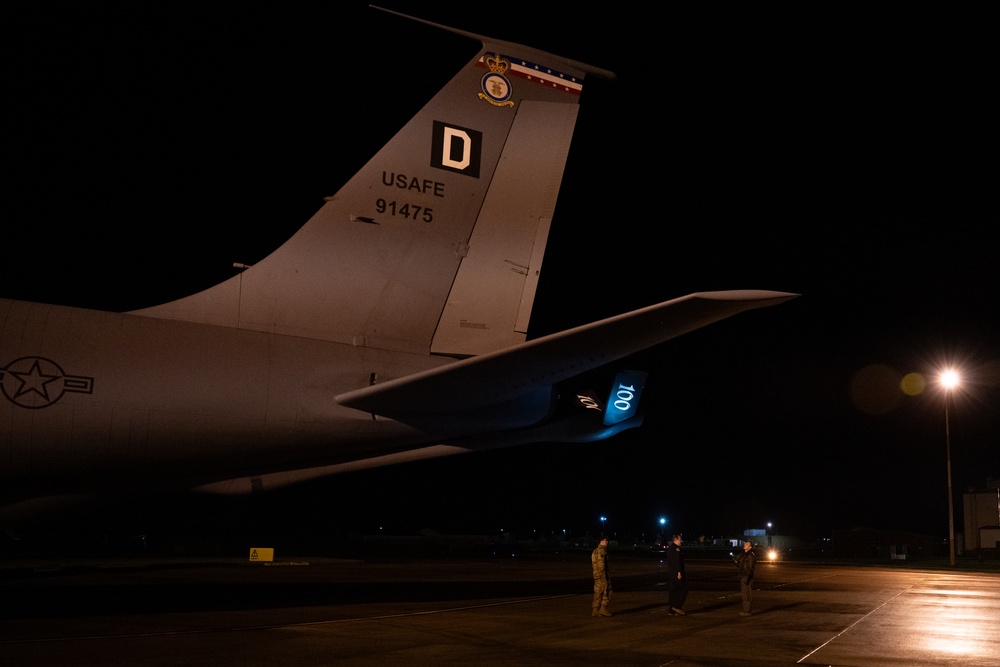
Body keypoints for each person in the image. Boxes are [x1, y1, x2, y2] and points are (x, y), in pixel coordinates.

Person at [665, 533, 688, 616]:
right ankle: (677, 607)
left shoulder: (670, 548)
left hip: (670, 573)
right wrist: (679, 572)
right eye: (680, 540)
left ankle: (671, 610)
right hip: (676, 573)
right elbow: (677, 561)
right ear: (676, 540)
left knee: (672, 591)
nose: (681, 541)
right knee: (684, 589)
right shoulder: (677, 549)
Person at [734, 540, 757, 616]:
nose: (745, 544)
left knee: (747, 594)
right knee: (744, 594)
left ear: (750, 547)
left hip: (747, 577)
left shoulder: (751, 555)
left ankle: (747, 611)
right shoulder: (744, 554)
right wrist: (736, 561)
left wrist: (747, 577)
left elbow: (751, 568)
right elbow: (741, 566)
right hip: (743, 576)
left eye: (747, 544)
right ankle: (746, 610)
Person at [591, 535, 612, 617]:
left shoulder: (595, 551)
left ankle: (595, 609)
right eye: (606, 540)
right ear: (601, 541)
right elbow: (601, 565)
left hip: (596, 574)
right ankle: (603, 608)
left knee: (598, 591)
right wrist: (604, 577)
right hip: (602, 575)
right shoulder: (602, 550)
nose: (607, 542)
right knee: (607, 591)